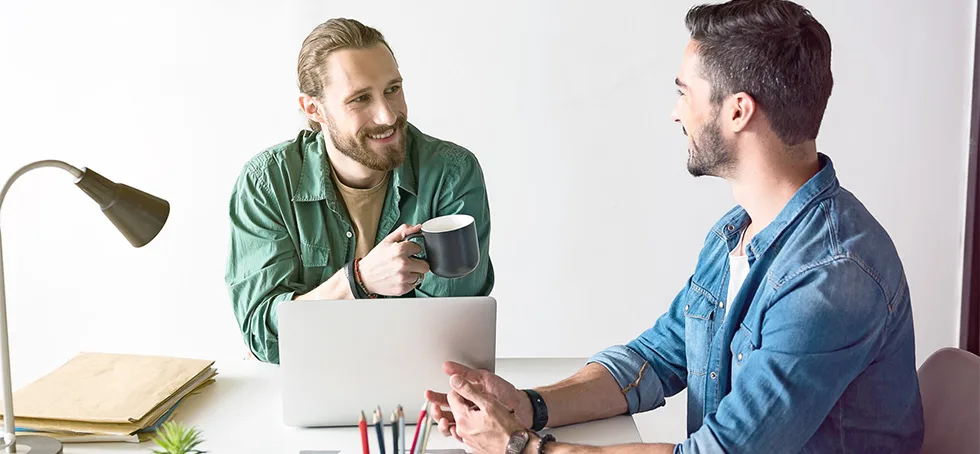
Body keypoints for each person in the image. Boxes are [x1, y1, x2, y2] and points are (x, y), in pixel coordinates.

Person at [425, 1, 924, 452]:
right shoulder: (737, 232)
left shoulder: (830, 280)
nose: (675, 113)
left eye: (685, 93)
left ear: (737, 111)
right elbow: (658, 358)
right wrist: (529, 406)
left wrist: (523, 447)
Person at [224, 18, 494, 364]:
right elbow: (264, 336)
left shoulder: (451, 173)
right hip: (308, 383)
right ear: (313, 109)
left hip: (417, 385)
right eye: (360, 99)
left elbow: (449, 335)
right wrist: (359, 280)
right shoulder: (266, 183)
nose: (387, 115)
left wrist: (311, 315)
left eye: (393, 89)